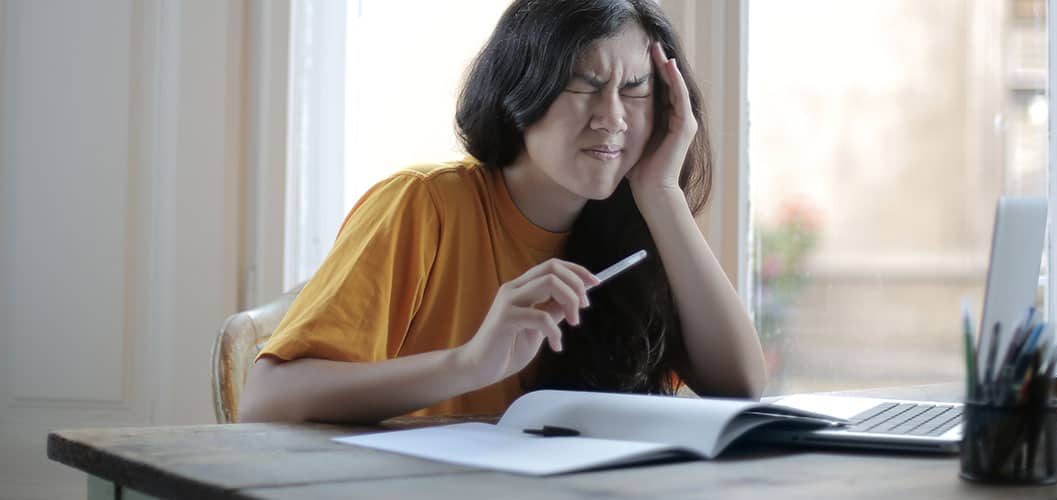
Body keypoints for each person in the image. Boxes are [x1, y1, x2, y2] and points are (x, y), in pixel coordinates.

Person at [238, 0, 767, 424]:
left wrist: (662, 192)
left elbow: (740, 386)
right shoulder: (423, 204)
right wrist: (470, 363)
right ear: (522, 90)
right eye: (584, 84)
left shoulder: (638, 224)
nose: (611, 117)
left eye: (635, 90)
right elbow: (265, 400)